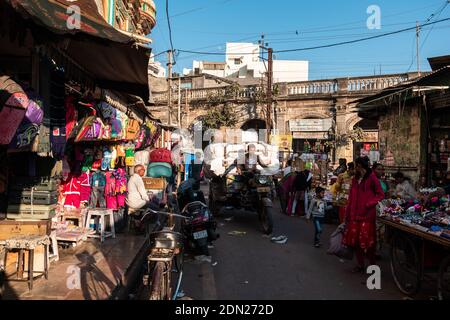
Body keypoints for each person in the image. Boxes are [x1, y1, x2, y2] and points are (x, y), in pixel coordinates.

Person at [342, 156, 385, 273]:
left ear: (360, 166)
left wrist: (369, 203)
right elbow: (351, 197)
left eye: (356, 166)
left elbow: (380, 194)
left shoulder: (371, 178)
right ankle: (360, 265)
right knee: (355, 242)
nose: (355, 168)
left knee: (368, 242)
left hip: (367, 215)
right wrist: (347, 213)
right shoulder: (355, 179)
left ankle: (372, 266)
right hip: (354, 215)